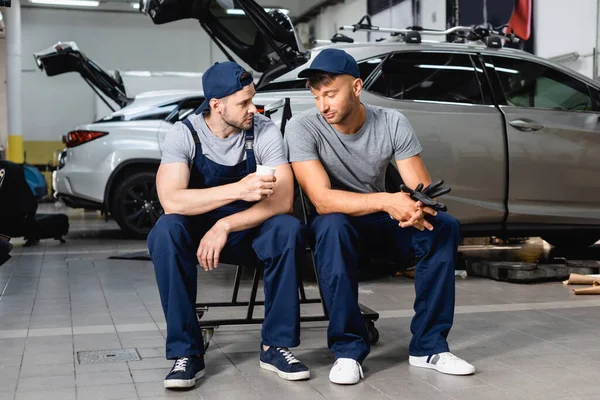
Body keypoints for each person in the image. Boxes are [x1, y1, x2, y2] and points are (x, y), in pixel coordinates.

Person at [283, 48, 475, 385]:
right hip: (337, 225)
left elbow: (421, 186)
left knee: (442, 226)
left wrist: (418, 207)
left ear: (356, 87)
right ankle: (347, 351)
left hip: (378, 224)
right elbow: (322, 200)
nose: (323, 105)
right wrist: (388, 201)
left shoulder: (391, 121)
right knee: (331, 224)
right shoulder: (302, 128)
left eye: (330, 94)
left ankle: (429, 347)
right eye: (316, 96)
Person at [147, 61, 310, 389]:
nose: (254, 108)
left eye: (253, 99)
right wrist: (238, 189)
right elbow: (172, 201)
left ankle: (275, 346)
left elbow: (282, 200)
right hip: (195, 233)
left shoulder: (263, 130)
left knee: (288, 230)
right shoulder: (185, 134)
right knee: (165, 232)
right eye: (244, 103)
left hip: (246, 230)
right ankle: (187, 352)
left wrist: (224, 225)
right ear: (217, 105)